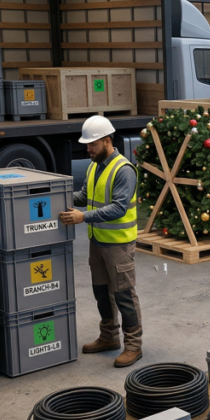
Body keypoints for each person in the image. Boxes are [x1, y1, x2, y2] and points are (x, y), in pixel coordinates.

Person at [59, 116, 144, 368]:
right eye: (87, 145)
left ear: (108, 140)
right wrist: (57, 195)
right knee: (101, 293)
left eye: (93, 144)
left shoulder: (124, 170)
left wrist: (82, 217)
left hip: (119, 244)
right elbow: (85, 196)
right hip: (98, 242)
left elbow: (118, 208)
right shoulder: (94, 165)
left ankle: (134, 346)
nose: (88, 149)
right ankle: (109, 337)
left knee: (124, 296)